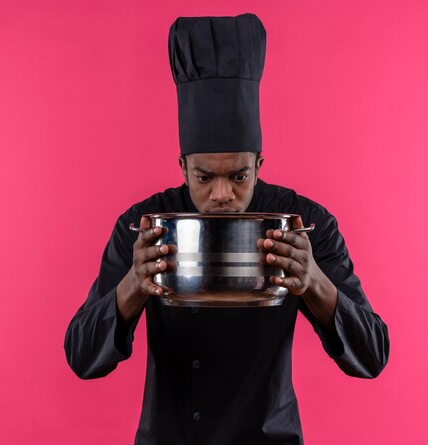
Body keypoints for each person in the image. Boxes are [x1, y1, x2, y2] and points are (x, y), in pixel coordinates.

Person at [65, 13, 389, 445]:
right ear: (183, 167)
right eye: (204, 178)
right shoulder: (144, 225)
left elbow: (372, 355)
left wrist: (314, 282)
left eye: (238, 176)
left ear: (259, 164)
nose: (222, 195)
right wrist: (134, 285)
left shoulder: (303, 224)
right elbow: (82, 358)